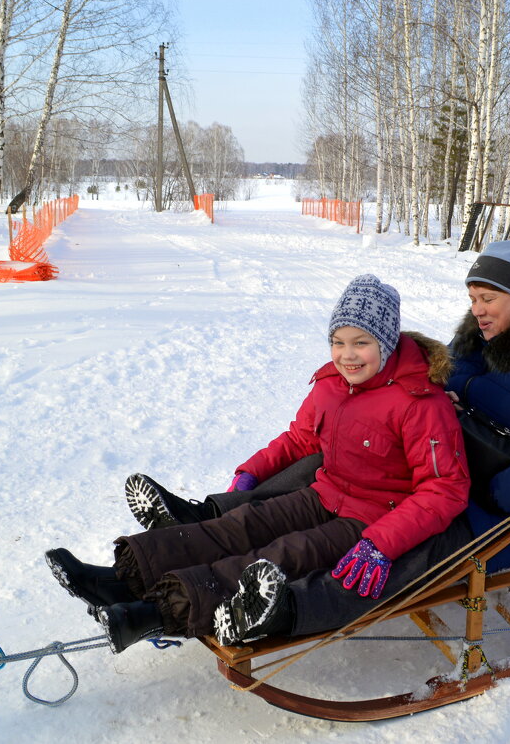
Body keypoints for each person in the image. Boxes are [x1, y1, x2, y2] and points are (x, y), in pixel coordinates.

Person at [125, 241, 510, 645]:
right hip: (441, 472)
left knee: (400, 544)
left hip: (509, 510)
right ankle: (208, 519)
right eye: (473, 297)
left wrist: (492, 494)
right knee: (332, 457)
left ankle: (284, 609)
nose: (476, 308)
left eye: (487, 298)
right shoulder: (478, 338)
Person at [44, 274, 470, 651]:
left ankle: (150, 614)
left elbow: (444, 489)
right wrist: (252, 471)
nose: (347, 355)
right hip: (324, 493)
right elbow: (301, 438)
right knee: (236, 525)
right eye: (338, 342)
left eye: (361, 343)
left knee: (283, 555)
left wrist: (381, 543)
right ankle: (118, 580)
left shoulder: (420, 402)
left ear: (387, 342)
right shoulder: (332, 385)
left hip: (372, 520)